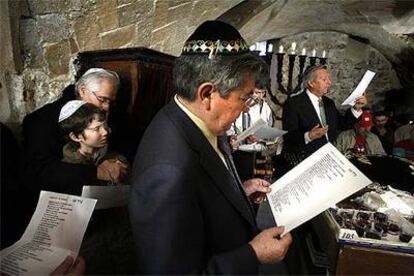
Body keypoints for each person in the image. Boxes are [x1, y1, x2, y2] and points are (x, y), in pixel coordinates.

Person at [129, 20, 292, 274]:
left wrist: (237, 193)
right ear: (207, 94)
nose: (247, 107)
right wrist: (253, 254)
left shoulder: (192, 119)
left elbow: (203, 193)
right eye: (243, 98)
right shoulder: (168, 173)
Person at [22, 68, 127, 211]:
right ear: (83, 90)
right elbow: (39, 172)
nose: (107, 107)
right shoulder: (41, 121)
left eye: (110, 102)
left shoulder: (104, 112)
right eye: (102, 100)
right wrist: (97, 172)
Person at [58, 100, 134, 274]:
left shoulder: (116, 158)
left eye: (105, 125)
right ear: (75, 137)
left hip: (122, 242)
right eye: (96, 129)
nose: (105, 131)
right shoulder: (67, 172)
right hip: (92, 250)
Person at [282, 65, 368, 164]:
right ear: (311, 83)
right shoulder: (294, 103)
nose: (329, 82)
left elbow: (342, 124)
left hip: (327, 159)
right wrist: (308, 136)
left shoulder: (329, 103)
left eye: (329, 79)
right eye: (324, 79)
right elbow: (288, 135)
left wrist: (356, 108)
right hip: (303, 160)